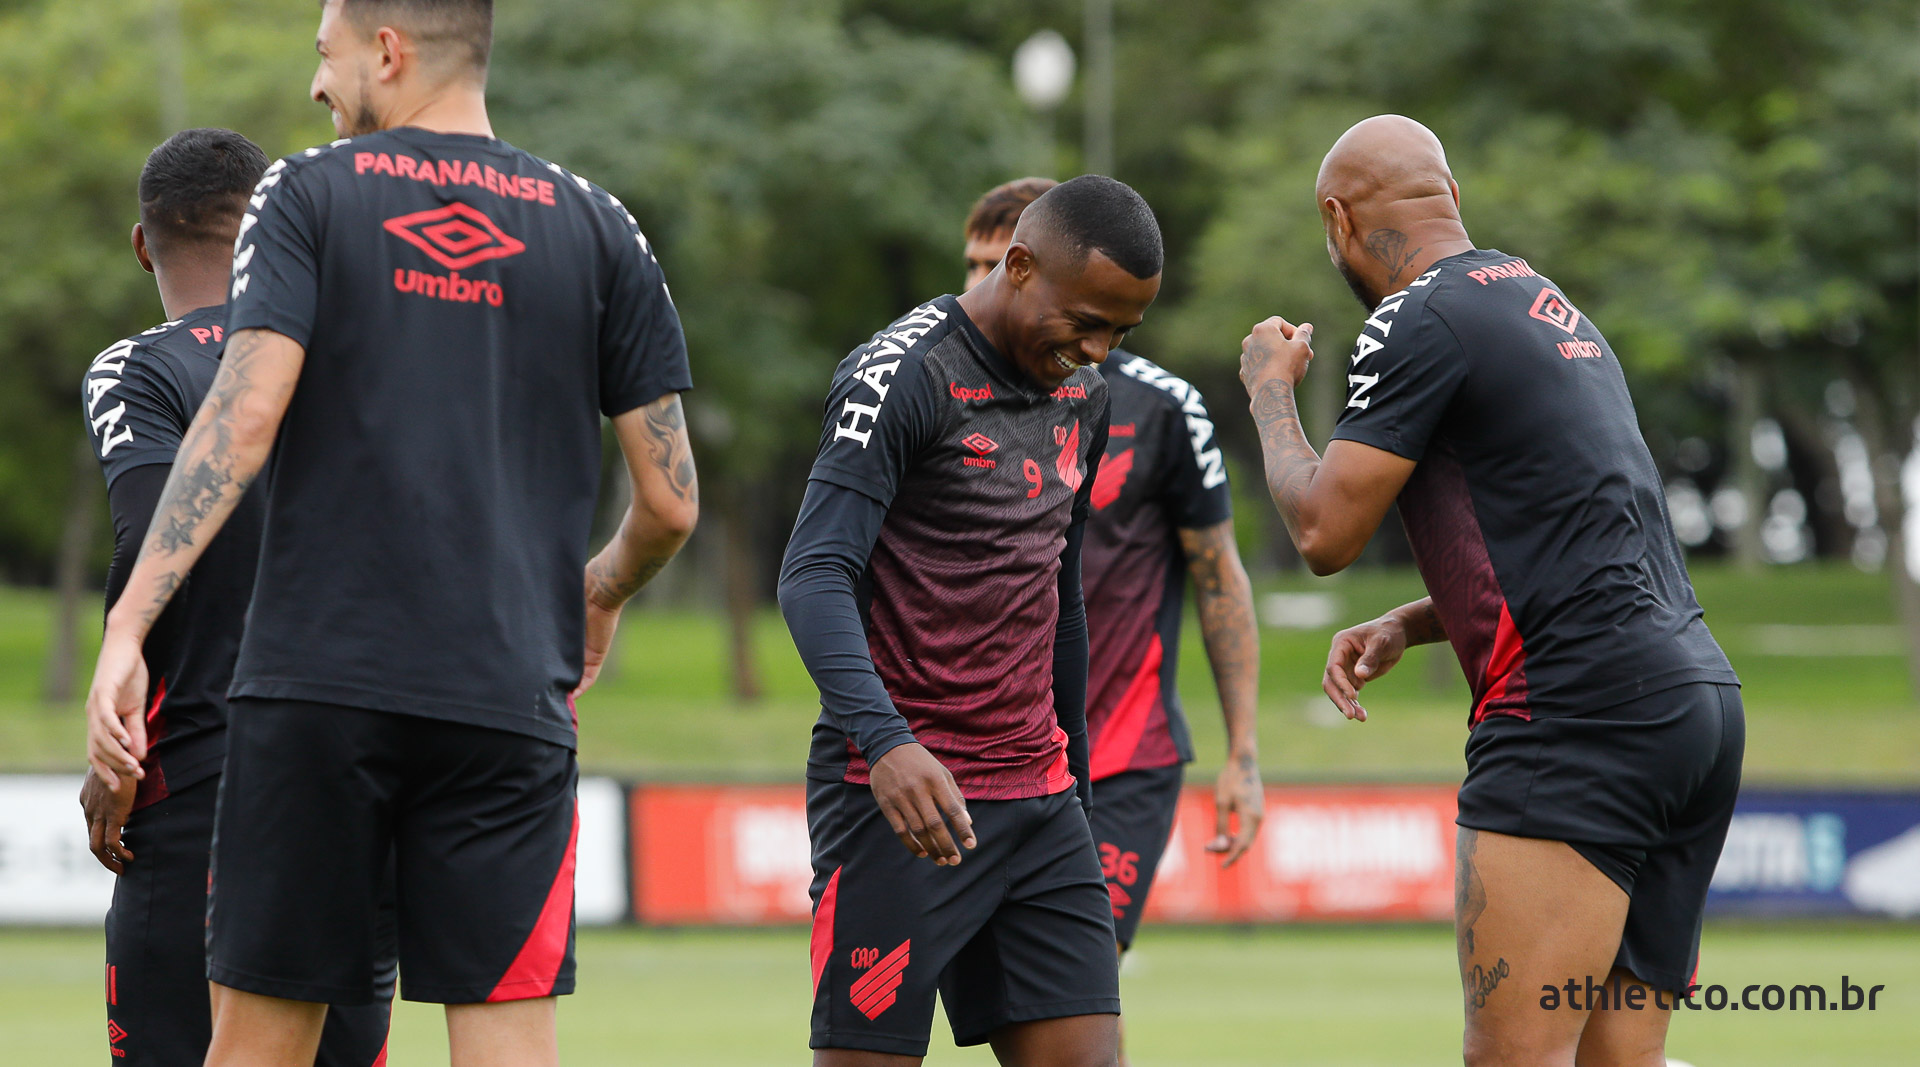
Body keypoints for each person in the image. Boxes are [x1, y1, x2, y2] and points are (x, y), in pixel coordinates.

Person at [80, 3, 699, 1065]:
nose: (317, 87)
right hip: (511, 696)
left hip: (318, 692)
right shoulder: (603, 225)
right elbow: (673, 502)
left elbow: (243, 417)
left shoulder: (307, 191)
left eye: (325, 56)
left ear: (387, 49)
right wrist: (599, 591)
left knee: (260, 1044)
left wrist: (129, 628)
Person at [1236, 115, 1742, 1066]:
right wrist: (1414, 620)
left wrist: (1269, 392)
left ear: (1338, 220)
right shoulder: (1550, 307)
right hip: (1694, 705)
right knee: (1617, 1061)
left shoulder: (1415, 314)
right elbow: (1591, 547)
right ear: (1453, 197)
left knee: (1516, 1056)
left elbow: (1323, 532)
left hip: (1576, 714)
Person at [779, 174, 1163, 1067]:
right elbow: (813, 573)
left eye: (1121, 332)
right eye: (1087, 321)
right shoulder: (903, 374)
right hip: (903, 801)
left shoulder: (1087, 396)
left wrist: (1077, 779)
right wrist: (887, 743)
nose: (1099, 350)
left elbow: (1058, 593)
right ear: (1019, 266)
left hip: (1041, 799)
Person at [78, 126, 395, 1067]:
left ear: (144, 245)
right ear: (267, 230)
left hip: (202, 784)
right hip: (357, 783)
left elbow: (152, 534)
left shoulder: (138, 367)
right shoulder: (359, 361)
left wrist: (117, 739)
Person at [963, 179, 1264, 1064]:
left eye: (996, 262)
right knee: (1021, 1010)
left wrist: (1243, 751)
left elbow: (1220, 575)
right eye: (971, 265)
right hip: (982, 750)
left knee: (1075, 992)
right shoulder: (938, 386)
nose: (982, 283)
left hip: (1123, 755)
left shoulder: (1163, 407)